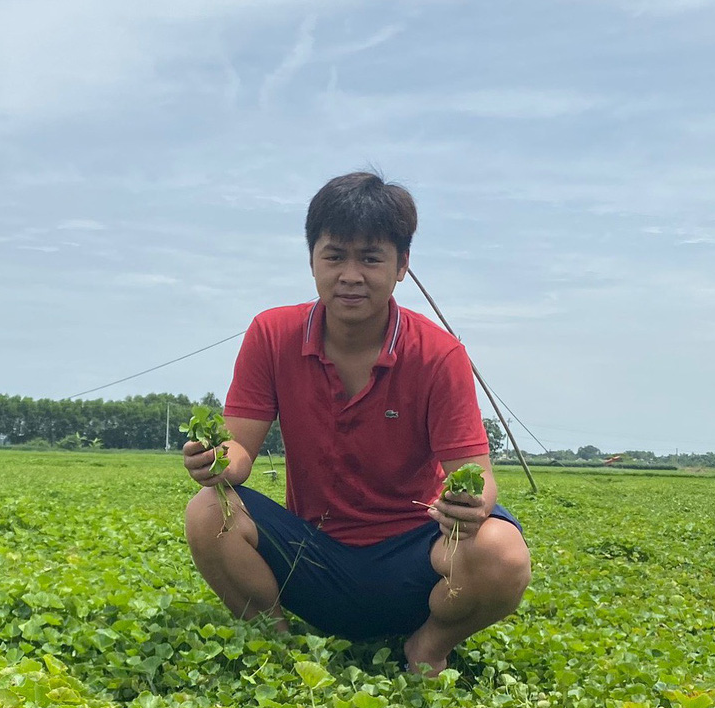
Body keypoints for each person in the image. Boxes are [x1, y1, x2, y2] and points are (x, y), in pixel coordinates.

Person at [183, 171, 532, 676]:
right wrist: (215, 459)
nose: (351, 274)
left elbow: (477, 474)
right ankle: (277, 648)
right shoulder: (272, 334)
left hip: (415, 557)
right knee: (206, 511)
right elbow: (238, 453)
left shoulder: (438, 355)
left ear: (401, 267)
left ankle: (428, 646)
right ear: (312, 260)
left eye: (371, 258)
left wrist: (472, 503)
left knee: (502, 552)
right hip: (313, 553)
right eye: (335, 256)